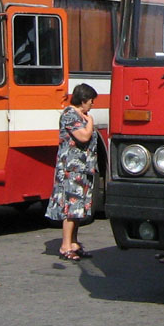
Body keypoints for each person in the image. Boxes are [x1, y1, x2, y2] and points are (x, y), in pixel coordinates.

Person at [46, 83, 99, 261]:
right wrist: (90, 122)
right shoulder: (70, 115)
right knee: (71, 207)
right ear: (83, 100)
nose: (92, 104)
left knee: (79, 208)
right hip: (72, 169)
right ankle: (65, 245)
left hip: (82, 169)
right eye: (91, 101)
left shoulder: (80, 115)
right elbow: (83, 136)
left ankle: (74, 243)